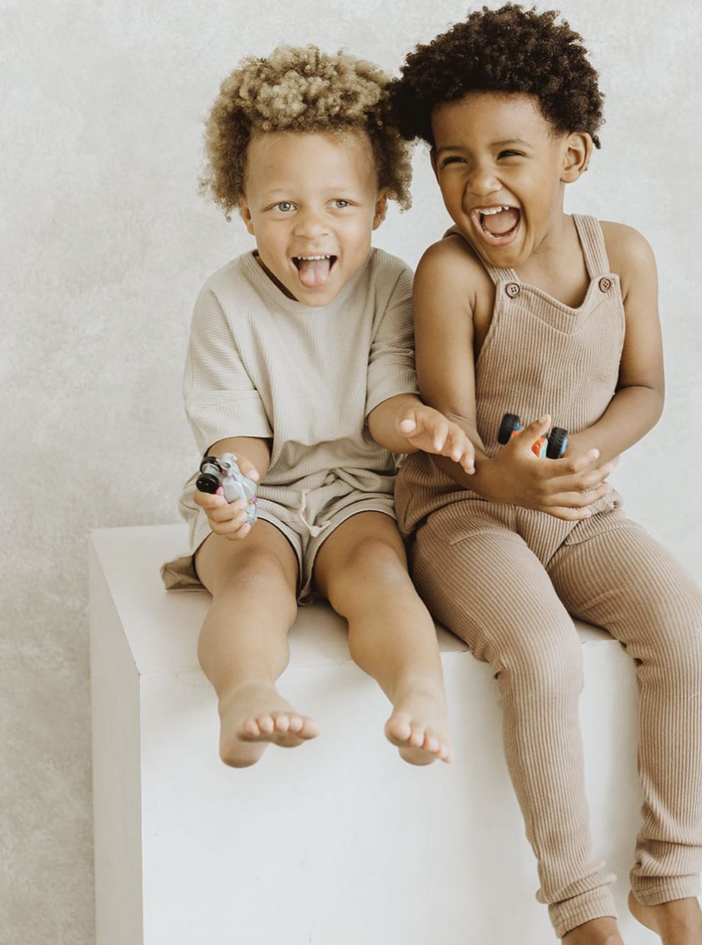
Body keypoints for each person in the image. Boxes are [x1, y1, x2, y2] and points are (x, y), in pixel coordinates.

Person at [389, 5, 702, 945]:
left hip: (577, 504)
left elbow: (645, 389)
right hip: (464, 515)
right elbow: (448, 431)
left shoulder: (623, 256)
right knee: (540, 654)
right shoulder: (448, 273)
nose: (479, 183)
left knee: (687, 629)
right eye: (453, 160)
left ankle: (667, 879)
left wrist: (585, 454)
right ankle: (580, 911)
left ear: (571, 157)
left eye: (508, 155)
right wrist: (506, 481)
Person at [161, 45, 476, 771]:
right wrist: (229, 491)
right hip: (258, 492)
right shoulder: (225, 301)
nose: (311, 230)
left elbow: (386, 401)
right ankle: (242, 694)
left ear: (380, 208)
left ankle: (419, 692)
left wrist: (418, 424)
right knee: (252, 581)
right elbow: (239, 437)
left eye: (339, 203)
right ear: (244, 213)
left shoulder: (394, 287)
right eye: (282, 206)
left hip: (357, 493)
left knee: (378, 575)